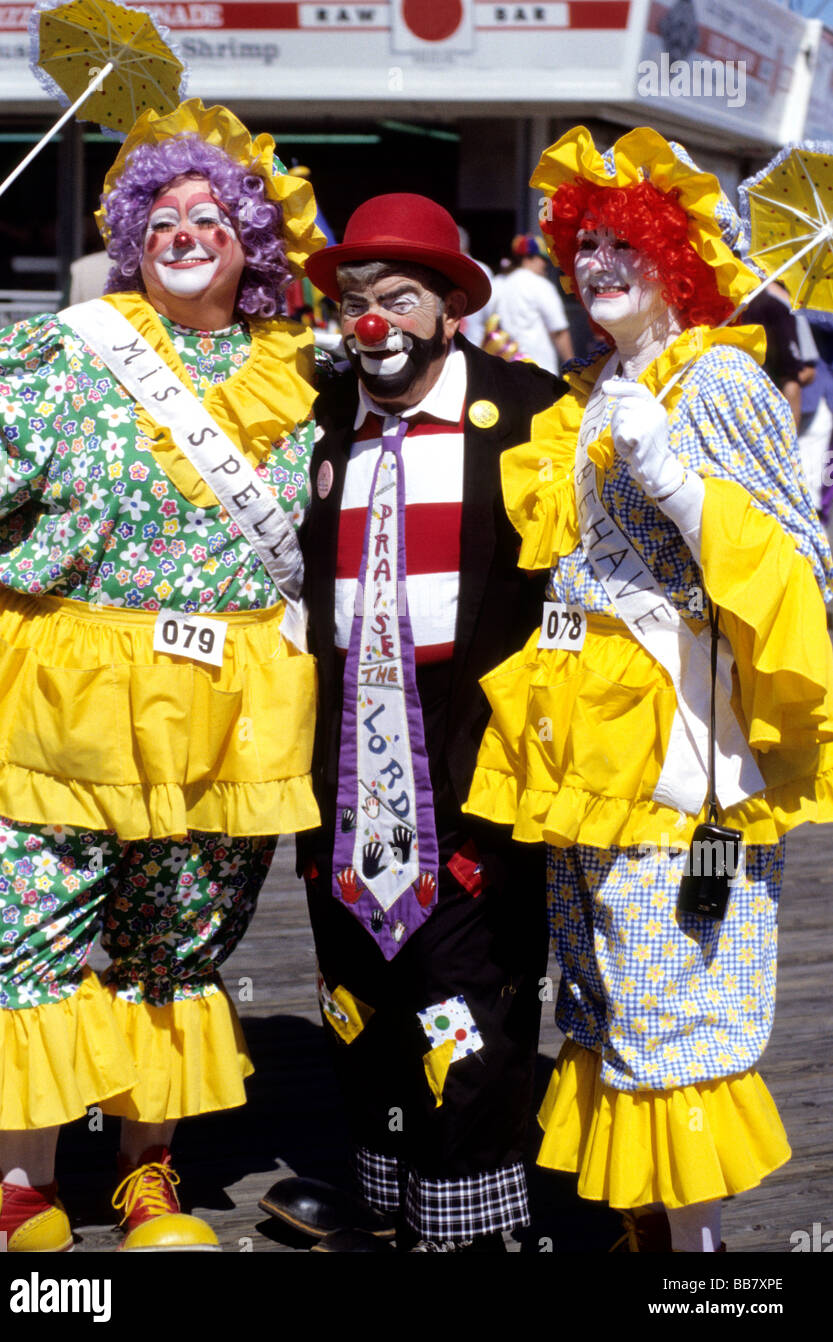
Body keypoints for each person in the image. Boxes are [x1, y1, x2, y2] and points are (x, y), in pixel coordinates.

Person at [0, 98, 324, 1252]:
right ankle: (21, 1190)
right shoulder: (67, 350)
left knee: (179, 939)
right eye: (159, 212)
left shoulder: (299, 378)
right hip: (63, 701)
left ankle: (146, 1179)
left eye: (209, 214)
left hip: (219, 709)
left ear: (250, 242)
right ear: (129, 231)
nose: (182, 229)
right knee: (20, 930)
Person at [465, 127, 833, 1252]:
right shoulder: (601, 388)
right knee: (609, 987)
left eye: (629, 241)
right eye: (588, 243)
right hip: (582, 749)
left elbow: (801, 567)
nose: (599, 262)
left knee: (678, 992)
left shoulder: (720, 376)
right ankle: (650, 1239)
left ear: (679, 254)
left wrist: (677, 482)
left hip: (684, 754)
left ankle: (702, 1264)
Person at [265, 193, 561, 1252]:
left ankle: (472, 1216)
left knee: (465, 984)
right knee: (357, 973)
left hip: (467, 733)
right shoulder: (318, 417)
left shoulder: (532, 411)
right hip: (345, 732)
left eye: (398, 298)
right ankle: (384, 1191)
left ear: (450, 308)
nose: (373, 321)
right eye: (355, 302)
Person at [493, 234, 573, 373]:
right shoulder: (541, 285)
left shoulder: (498, 283)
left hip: (506, 370)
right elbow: (559, 331)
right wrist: (573, 368)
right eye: (543, 259)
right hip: (539, 371)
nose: (546, 264)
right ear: (528, 258)